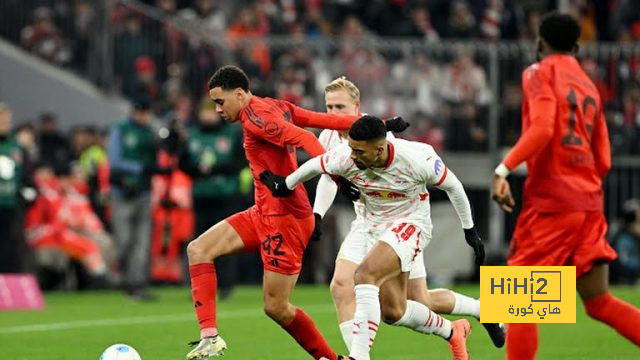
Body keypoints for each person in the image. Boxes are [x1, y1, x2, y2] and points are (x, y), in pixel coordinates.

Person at [185, 65, 408, 360]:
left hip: (286, 219)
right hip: (264, 212)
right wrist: (383, 124)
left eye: (220, 102)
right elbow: (323, 119)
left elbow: (304, 138)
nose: (217, 110)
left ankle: (477, 317)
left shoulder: (259, 119)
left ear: (238, 94)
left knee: (276, 307)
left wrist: (339, 179)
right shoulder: (272, 105)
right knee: (198, 249)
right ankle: (209, 337)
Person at [260, 115, 485, 360]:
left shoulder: (416, 159)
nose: (353, 156)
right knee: (394, 311)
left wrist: (469, 230)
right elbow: (317, 165)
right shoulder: (348, 156)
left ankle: (359, 356)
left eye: (359, 151)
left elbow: (454, 187)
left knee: (364, 275)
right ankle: (458, 328)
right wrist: (286, 185)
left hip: (411, 224)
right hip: (373, 227)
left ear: (379, 150)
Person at [313, 77, 504, 350]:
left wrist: (469, 228)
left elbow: (397, 177)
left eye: (340, 107)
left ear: (357, 107)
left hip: (401, 225)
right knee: (341, 285)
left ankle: (480, 312)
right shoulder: (328, 136)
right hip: (365, 222)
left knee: (416, 302)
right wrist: (318, 213)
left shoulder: (378, 136)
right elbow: (328, 177)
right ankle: (358, 355)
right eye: (329, 107)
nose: (333, 114)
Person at [490, 12, 640, 360]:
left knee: (518, 300)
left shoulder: (538, 72)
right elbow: (604, 161)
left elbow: (542, 128)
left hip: (554, 203)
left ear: (540, 43)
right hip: (589, 204)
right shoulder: (590, 86)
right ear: (575, 46)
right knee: (598, 301)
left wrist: (503, 169)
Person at [179, 97, 246, 297]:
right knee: (200, 242)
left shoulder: (231, 134)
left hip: (225, 196)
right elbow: (182, 164)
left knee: (225, 242)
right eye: (204, 112)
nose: (208, 116)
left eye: (211, 112)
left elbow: (240, 162)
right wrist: (198, 172)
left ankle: (226, 285)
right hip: (201, 196)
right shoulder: (191, 136)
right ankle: (202, 284)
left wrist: (215, 170)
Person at [107, 98, 168, 300]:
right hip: (122, 193)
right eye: (140, 112)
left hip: (143, 192)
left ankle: (137, 284)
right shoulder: (121, 129)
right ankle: (121, 278)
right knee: (124, 241)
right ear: (134, 112)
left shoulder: (151, 131)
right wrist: (140, 168)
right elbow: (114, 161)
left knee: (142, 242)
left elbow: (164, 148)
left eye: (146, 113)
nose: (143, 116)